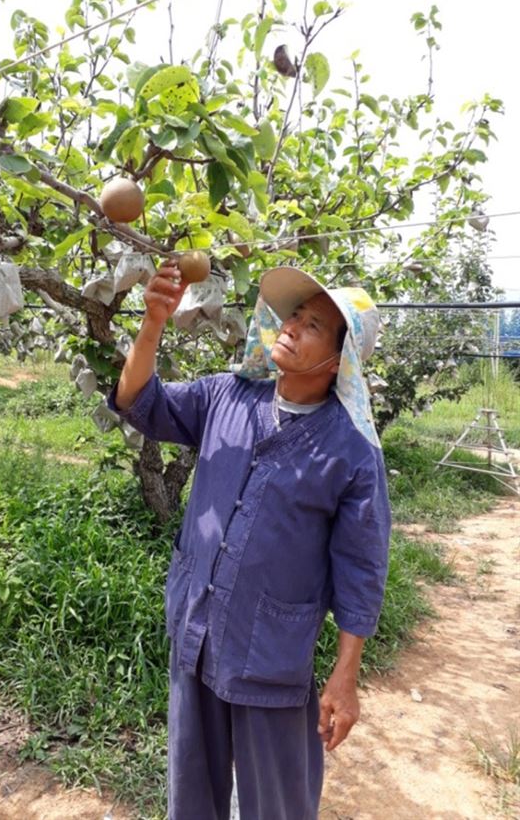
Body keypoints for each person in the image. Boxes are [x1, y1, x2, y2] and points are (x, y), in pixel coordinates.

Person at [108, 262, 391, 820]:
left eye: (313, 326)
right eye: (295, 316)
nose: (291, 327)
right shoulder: (226, 396)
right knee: (192, 793)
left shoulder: (353, 450)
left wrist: (345, 676)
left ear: (341, 360)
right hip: (198, 629)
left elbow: (362, 569)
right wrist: (152, 324)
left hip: (271, 654)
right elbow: (140, 402)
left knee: (277, 802)